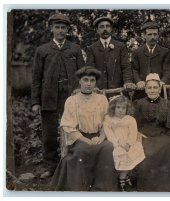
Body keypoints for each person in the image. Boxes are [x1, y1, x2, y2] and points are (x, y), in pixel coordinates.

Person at [31, 13, 85, 178]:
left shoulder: (75, 48)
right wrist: (35, 101)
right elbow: (36, 78)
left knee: (74, 130)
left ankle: (74, 165)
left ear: (67, 30)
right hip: (49, 97)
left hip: (71, 97)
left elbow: (83, 74)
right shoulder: (42, 50)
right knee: (49, 134)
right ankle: (51, 167)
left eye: (63, 28)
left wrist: (80, 93)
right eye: (57, 27)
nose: (60, 31)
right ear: (51, 29)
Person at [50, 66, 119, 191]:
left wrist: (101, 137)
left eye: (92, 80)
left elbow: (107, 120)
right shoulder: (72, 101)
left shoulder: (102, 99)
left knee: (108, 148)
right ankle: (81, 188)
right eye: (85, 80)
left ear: (95, 82)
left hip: (99, 136)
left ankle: (103, 189)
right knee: (82, 151)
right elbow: (68, 125)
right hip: (80, 138)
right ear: (80, 81)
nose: (88, 84)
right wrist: (86, 140)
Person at [134, 73, 170, 191]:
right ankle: (147, 188)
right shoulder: (139, 103)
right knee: (145, 151)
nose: (152, 90)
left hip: (162, 134)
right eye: (149, 88)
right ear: (145, 90)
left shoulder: (167, 104)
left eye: (155, 87)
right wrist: (136, 133)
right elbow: (134, 123)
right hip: (144, 135)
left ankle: (167, 187)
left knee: (169, 147)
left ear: (159, 89)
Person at [103, 95, 145, 191]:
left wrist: (129, 144)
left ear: (127, 109)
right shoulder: (109, 119)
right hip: (116, 144)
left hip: (129, 143)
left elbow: (133, 133)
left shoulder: (130, 119)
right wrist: (116, 144)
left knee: (130, 155)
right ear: (113, 108)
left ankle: (123, 178)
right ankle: (123, 178)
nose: (121, 110)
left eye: (123, 108)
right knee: (119, 155)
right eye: (118, 107)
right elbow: (109, 134)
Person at [86, 16, 135, 91]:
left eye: (107, 26)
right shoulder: (92, 48)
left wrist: (127, 82)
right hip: (99, 91)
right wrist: (94, 86)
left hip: (118, 89)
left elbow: (126, 67)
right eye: (101, 27)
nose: (105, 29)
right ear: (97, 30)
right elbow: (90, 70)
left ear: (111, 29)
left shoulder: (120, 47)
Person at [131, 21, 170, 100]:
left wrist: (163, 81)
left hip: (159, 91)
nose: (152, 37)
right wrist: (138, 81)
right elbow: (134, 69)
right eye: (149, 34)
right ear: (144, 35)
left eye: (155, 34)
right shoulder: (137, 52)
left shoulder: (165, 51)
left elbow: (168, 70)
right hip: (141, 92)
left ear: (158, 35)